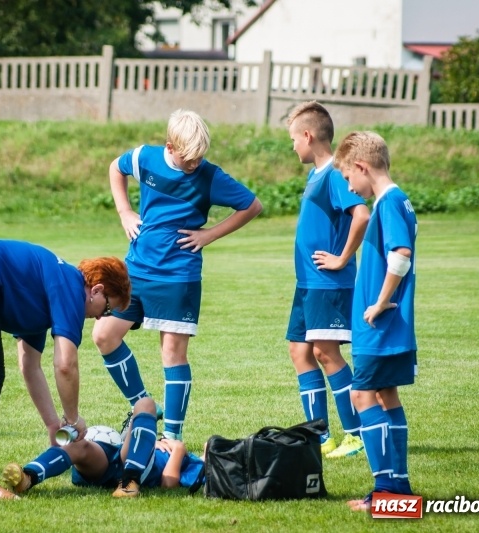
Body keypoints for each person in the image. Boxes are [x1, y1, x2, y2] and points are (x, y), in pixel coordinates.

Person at [92, 108, 263, 441]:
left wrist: (209, 234)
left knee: (172, 353)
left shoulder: (209, 176)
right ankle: (142, 404)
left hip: (178, 276)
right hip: (136, 270)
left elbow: (252, 206)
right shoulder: (146, 158)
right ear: (170, 146)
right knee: (103, 336)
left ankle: (171, 438)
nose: (195, 164)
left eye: (200, 157)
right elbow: (116, 167)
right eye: (189, 158)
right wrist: (125, 210)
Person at [0, 239, 131, 499]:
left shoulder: (44, 291)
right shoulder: (71, 285)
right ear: (97, 290)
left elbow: (29, 366)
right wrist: (73, 418)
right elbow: (65, 364)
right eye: (108, 308)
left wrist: (52, 424)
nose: (101, 317)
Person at [333, 131, 418, 511]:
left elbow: (401, 255)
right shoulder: (398, 201)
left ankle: (385, 492)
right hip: (392, 328)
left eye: (350, 179)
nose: (350, 188)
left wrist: (380, 303)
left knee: (361, 395)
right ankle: (398, 490)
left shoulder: (388, 204)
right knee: (386, 396)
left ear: (362, 167)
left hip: (380, 326)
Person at [284, 101, 370, 459]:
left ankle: (355, 434)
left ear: (308, 135)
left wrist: (343, 258)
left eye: (293, 139)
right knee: (300, 351)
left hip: (327, 284)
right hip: (307, 284)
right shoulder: (315, 174)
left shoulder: (336, 173)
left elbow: (361, 215)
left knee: (325, 352)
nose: (292, 147)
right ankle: (318, 437)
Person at [2, 397, 204, 497]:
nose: (207, 447)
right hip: (123, 456)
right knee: (79, 447)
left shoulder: (198, 467)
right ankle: (29, 476)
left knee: (147, 403)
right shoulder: (197, 459)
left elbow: (169, 484)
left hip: (137, 469)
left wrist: (179, 450)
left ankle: (129, 485)